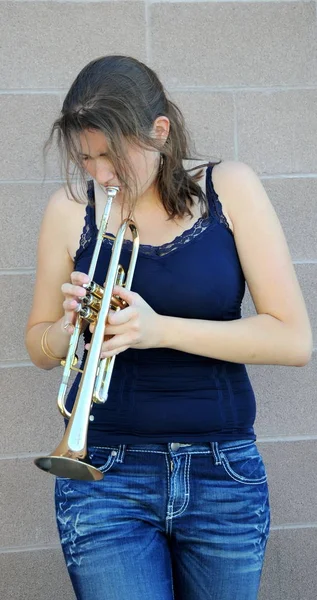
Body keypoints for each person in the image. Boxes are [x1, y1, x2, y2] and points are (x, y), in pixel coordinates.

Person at [25, 55, 312, 600]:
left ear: (160, 133)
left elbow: (293, 339)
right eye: (86, 158)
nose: (99, 174)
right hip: (104, 474)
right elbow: (38, 346)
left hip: (222, 472)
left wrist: (157, 330)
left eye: (111, 156)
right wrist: (70, 331)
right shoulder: (67, 209)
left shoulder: (231, 187)